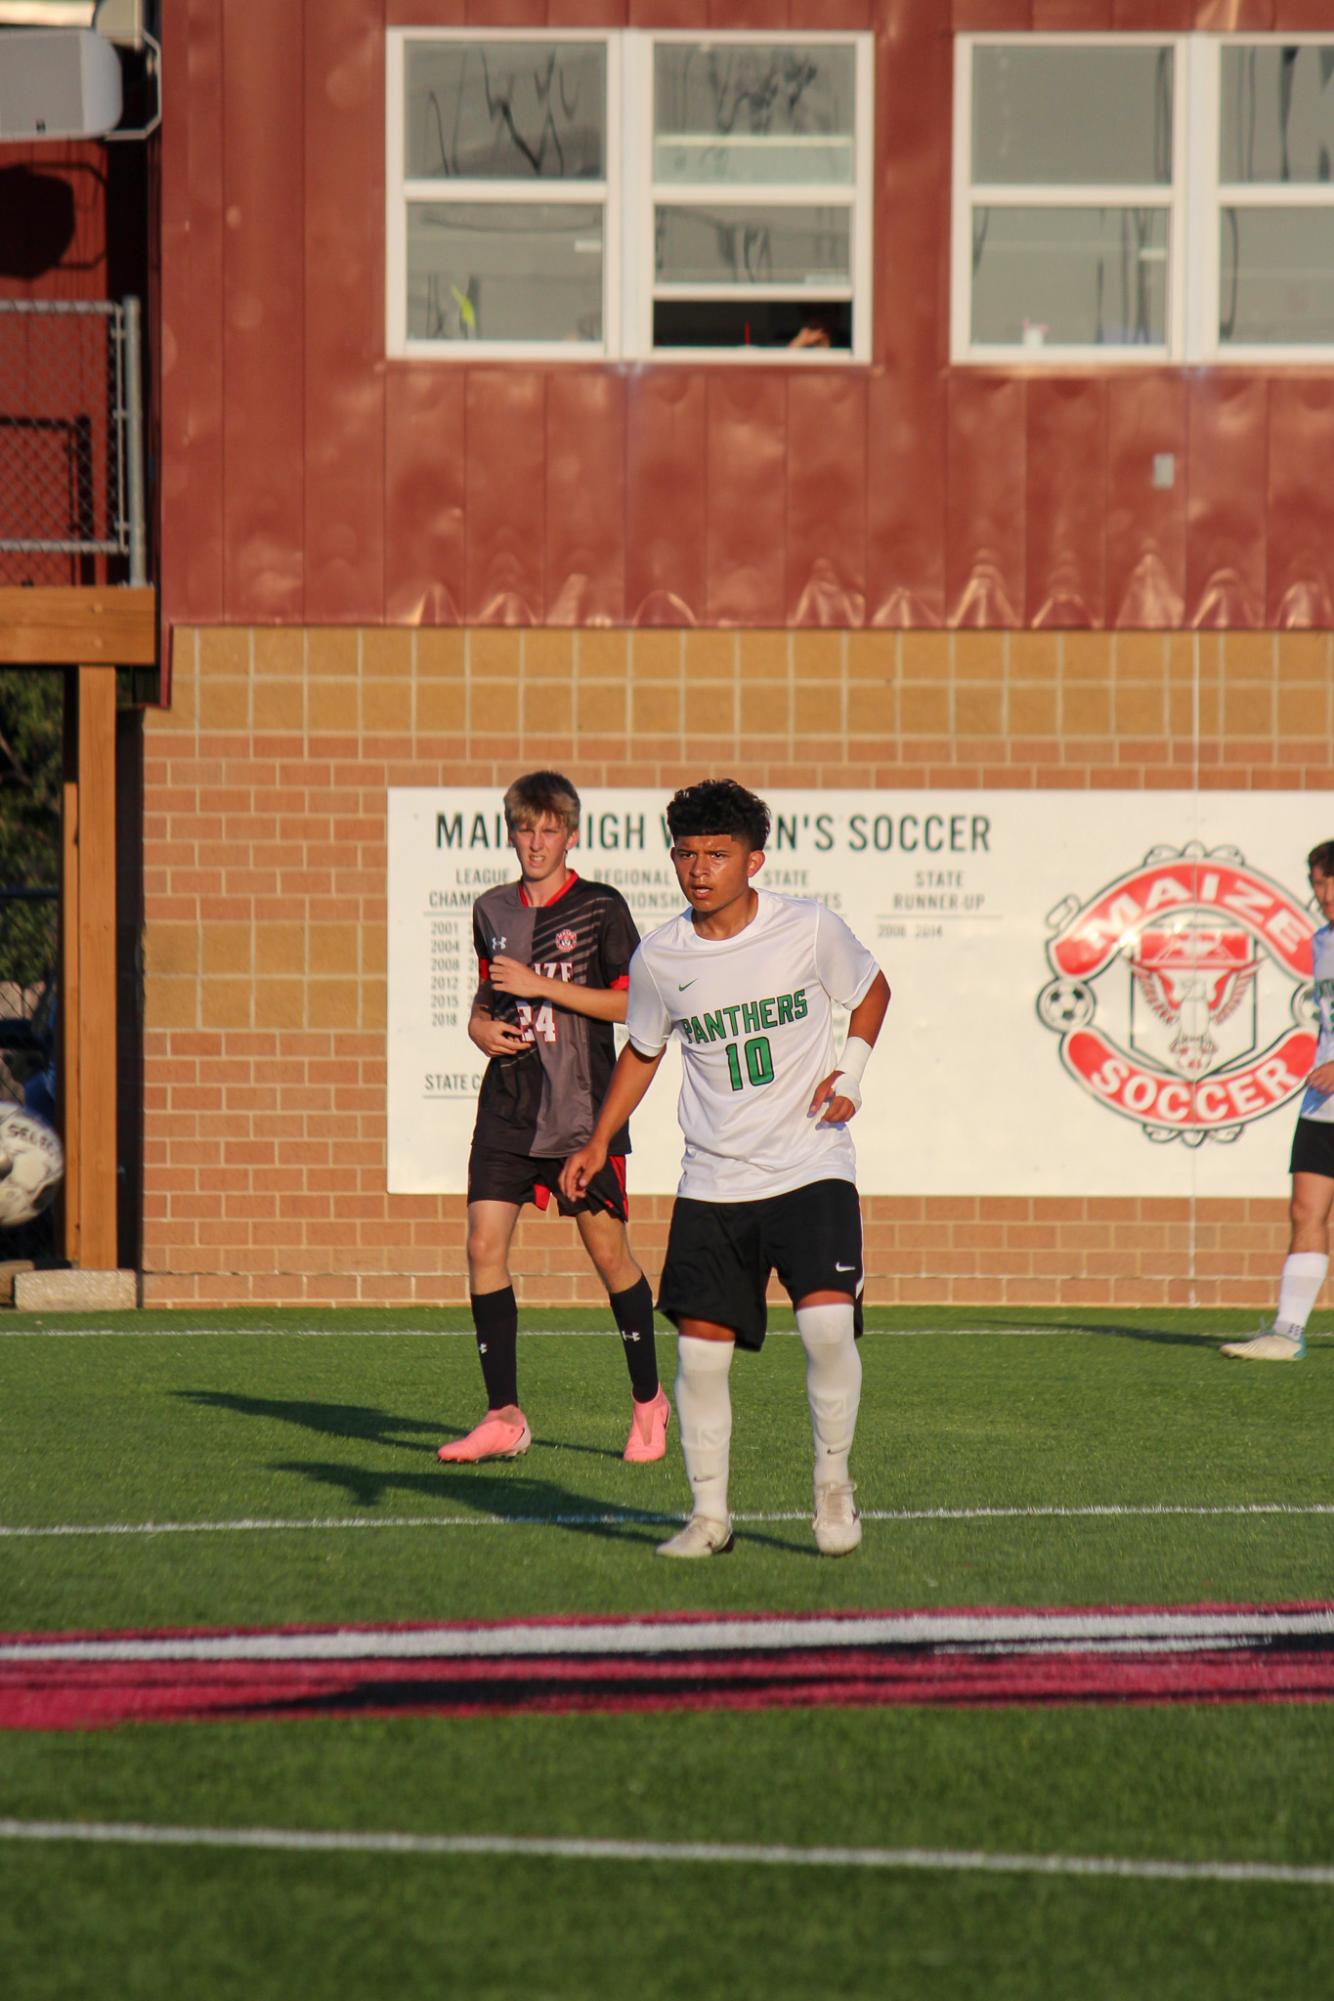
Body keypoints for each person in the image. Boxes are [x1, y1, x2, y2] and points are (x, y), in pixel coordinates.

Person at [561, 778, 891, 1558]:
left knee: (825, 1325)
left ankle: (833, 1490)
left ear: (754, 859)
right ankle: (710, 1517)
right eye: (685, 853)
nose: (698, 868)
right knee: (701, 1355)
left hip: (811, 1161)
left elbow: (873, 990)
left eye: (717, 853)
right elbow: (644, 1049)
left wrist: (848, 1073)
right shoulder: (660, 956)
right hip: (713, 1178)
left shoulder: (807, 928)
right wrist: (600, 1136)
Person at [438, 771, 669, 1463]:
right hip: (509, 1103)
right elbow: (490, 997)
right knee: (484, 1247)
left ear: (571, 835)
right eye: (523, 828)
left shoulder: (601, 907)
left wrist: (542, 985)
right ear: (510, 833)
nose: (535, 842)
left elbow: (636, 1006)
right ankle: (504, 1414)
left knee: (607, 1254)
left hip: (581, 1110)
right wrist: (477, 1027)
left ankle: (648, 1401)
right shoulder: (490, 908)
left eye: (548, 829)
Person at [1221, 839, 1334, 1362]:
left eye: (1330, 881)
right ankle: (1286, 1333)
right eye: (1316, 883)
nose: (1323, 893)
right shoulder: (1321, 942)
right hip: (1324, 1103)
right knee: (1304, 1210)